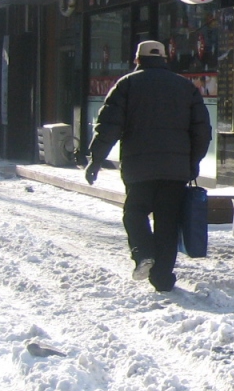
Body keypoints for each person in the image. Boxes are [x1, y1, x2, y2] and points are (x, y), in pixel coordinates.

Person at [85, 40, 211, 292]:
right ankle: (162, 278)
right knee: (167, 222)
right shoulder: (186, 87)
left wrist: (95, 160)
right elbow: (202, 131)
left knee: (134, 213)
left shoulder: (127, 85)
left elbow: (108, 127)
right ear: (165, 59)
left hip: (138, 168)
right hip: (175, 172)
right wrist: (193, 163)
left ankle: (143, 252)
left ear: (138, 59)